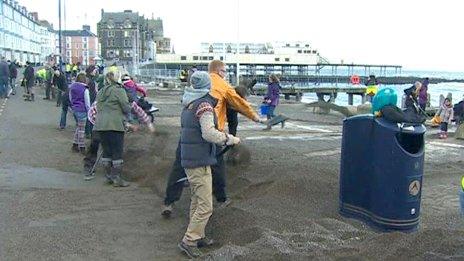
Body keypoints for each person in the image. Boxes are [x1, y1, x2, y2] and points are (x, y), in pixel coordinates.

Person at [161, 60, 263, 217]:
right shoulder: (223, 85)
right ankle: (221, 199)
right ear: (219, 71)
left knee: (179, 165)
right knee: (217, 166)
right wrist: (256, 118)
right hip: (212, 131)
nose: (225, 74)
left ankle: (169, 202)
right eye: (225, 71)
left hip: (189, 132)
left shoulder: (195, 85)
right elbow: (239, 103)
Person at [177, 71, 240, 258]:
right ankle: (189, 240)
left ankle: (198, 235)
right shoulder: (204, 105)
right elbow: (209, 134)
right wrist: (229, 139)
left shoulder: (188, 103)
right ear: (208, 85)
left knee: (197, 200)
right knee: (205, 205)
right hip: (199, 160)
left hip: (191, 158)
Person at [93, 71, 132, 187]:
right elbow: (126, 107)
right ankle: (117, 178)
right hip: (115, 125)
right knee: (117, 151)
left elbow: (98, 107)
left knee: (106, 151)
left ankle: (108, 176)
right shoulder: (119, 91)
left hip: (101, 125)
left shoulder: (101, 91)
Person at [69, 73, 91, 154]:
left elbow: (70, 98)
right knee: (82, 130)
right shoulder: (85, 89)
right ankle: (82, 147)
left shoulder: (72, 87)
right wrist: (89, 112)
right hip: (82, 110)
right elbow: (87, 103)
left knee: (78, 127)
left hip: (75, 109)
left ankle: (75, 144)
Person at [85, 65, 99, 137]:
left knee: (90, 115)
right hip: (90, 98)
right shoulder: (89, 80)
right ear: (91, 71)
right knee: (89, 115)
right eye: (94, 71)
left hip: (91, 98)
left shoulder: (89, 79)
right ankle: (89, 132)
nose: (95, 72)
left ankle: (89, 132)